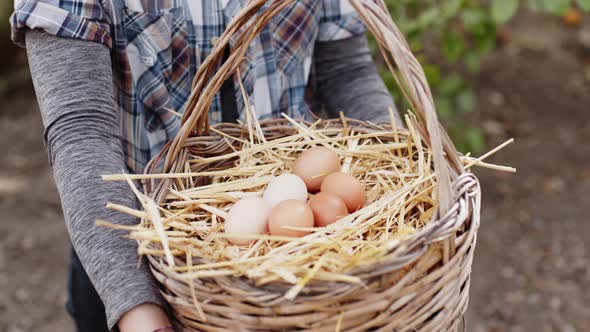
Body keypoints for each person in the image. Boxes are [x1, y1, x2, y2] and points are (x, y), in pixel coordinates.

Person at [11, 0, 402, 331]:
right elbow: (82, 130)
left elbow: (345, 73)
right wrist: (137, 305)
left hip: (307, 261)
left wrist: (403, 175)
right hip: (138, 245)